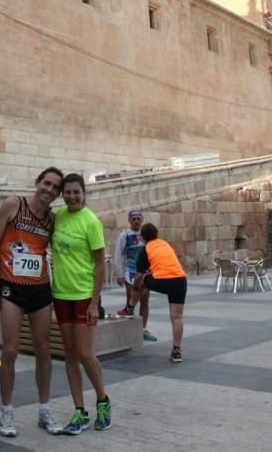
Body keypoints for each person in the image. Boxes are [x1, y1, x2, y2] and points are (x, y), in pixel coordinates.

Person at [0, 167, 65, 438]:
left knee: (44, 350)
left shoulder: (52, 220)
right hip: (10, 286)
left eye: (55, 187)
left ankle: (45, 409)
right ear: (37, 183)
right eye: (47, 183)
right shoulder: (13, 204)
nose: (50, 190)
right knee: (9, 350)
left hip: (40, 289)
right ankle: (7, 410)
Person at [52, 173, 111, 435]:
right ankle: (79, 410)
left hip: (84, 296)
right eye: (68, 192)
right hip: (61, 295)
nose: (72, 196)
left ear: (84, 193)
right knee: (69, 353)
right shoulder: (59, 217)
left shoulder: (91, 222)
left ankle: (102, 401)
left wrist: (94, 303)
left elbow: (100, 265)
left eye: (76, 192)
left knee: (85, 353)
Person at [127, 223, 188, 363]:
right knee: (177, 318)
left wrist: (136, 287)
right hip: (180, 280)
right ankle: (177, 352)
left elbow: (138, 275)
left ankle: (129, 308)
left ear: (142, 237)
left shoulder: (146, 249)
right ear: (157, 234)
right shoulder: (165, 244)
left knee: (141, 279)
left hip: (163, 281)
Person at [114, 210, 155, 341]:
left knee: (145, 300)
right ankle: (129, 331)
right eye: (134, 219)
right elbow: (118, 254)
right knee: (130, 301)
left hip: (145, 272)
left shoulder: (147, 235)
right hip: (130, 272)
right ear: (129, 221)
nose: (136, 221)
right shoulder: (124, 235)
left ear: (142, 219)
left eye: (138, 218)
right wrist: (119, 273)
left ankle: (143, 329)